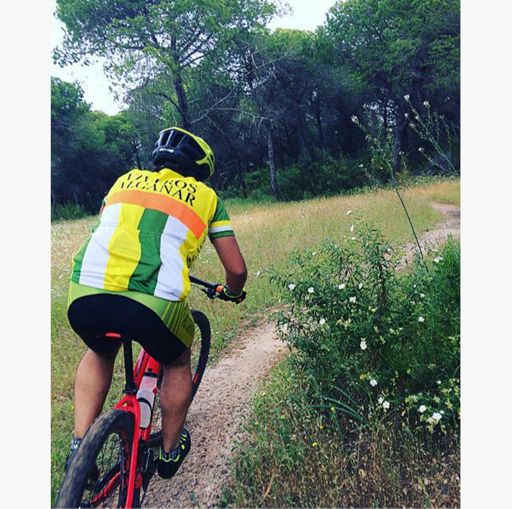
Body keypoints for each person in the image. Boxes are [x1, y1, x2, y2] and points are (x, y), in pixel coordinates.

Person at [65, 127, 248, 479]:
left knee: (100, 351)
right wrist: (232, 291)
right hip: (154, 303)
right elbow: (236, 269)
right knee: (177, 361)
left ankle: (79, 448)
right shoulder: (206, 196)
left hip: (85, 290)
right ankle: (169, 451)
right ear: (200, 170)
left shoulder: (124, 181)